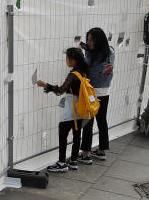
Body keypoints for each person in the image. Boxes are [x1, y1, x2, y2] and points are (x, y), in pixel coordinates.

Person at [37, 47, 93, 172]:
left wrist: (45, 85)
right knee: (77, 134)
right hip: (81, 108)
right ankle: (73, 161)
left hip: (71, 108)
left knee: (63, 133)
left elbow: (60, 90)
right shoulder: (84, 72)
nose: (66, 61)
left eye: (67, 58)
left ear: (73, 61)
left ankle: (62, 163)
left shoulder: (73, 75)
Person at [80, 27, 113, 161]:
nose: (88, 43)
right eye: (87, 40)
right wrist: (85, 47)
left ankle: (86, 154)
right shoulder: (111, 51)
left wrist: (81, 53)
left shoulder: (91, 55)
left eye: (90, 40)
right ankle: (101, 150)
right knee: (102, 120)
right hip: (105, 91)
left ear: (97, 41)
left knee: (88, 122)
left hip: (92, 93)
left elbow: (84, 67)